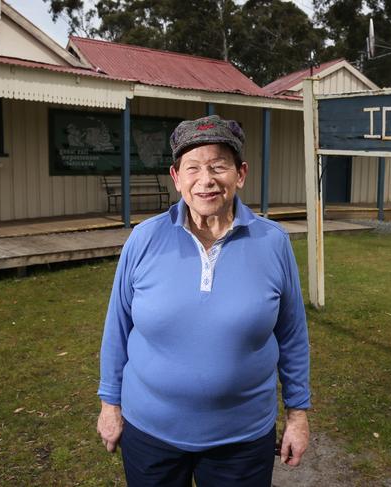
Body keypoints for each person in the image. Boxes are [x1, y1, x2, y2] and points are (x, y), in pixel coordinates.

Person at [96, 114, 311, 486]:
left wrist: (298, 415)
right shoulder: (144, 240)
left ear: (240, 174)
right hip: (150, 434)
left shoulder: (273, 242)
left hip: (241, 441)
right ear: (177, 178)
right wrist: (109, 405)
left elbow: (292, 337)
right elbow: (117, 327)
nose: (206, 179)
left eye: (218, 166)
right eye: (192, 168)